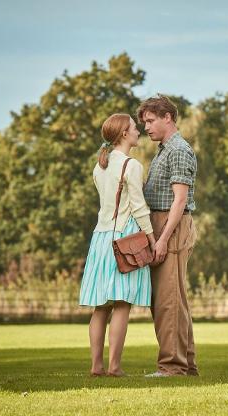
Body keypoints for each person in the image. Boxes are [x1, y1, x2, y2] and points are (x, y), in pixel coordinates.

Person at [79, 113, 156, 377]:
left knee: (101, 307)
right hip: (125, 240)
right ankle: (114, 367)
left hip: (100, 240)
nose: (139, 131)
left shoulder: (99, 166)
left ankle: (96, 367)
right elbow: (138, 207)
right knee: (122, 304)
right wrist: (152, 238)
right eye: (135, 128)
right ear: (124, 133)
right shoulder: (131, 165)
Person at [137, 95, 199, 377]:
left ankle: (172, 367)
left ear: (168, 118)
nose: (146, 127)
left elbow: (179, 200)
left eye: (150, 121)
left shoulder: (178, 150)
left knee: (168, 301)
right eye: (144, 122)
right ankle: (186, 364)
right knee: (174, 299)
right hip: (161, 223)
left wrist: (161, 239)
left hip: (171, 226)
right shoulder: (164, 149)